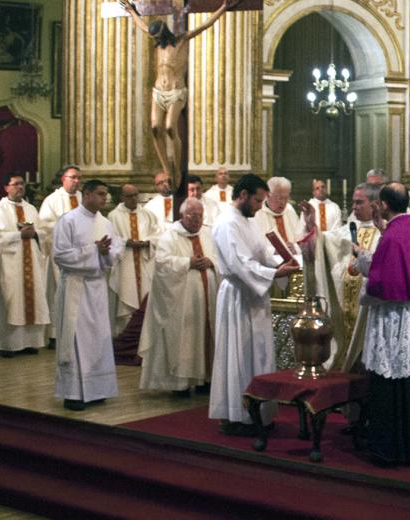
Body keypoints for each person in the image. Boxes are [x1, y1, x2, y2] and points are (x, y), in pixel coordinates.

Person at [353, 182, 410, 464]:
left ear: (384, 205)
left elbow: (381, 285)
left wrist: (361, 266)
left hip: (397, 321)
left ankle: (391, 448)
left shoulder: (393, 237)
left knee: (392, 378)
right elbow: (392, 267)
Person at [209, 174, 300, 434]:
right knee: (238, 354)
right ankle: (236, 416)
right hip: (237, 296)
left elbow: (262, 251)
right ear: (243, 195)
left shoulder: (248, 221)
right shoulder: (227, 223)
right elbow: (239, 264)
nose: (261, 207)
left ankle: (258, 414)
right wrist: (274, 274)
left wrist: (282, 262)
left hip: (255, 296)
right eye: (259, 201)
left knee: (257, 353)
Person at [120, 0, 231, 183]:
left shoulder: (181, 39)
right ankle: (167, 169)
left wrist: (223, 8)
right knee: (155, 128)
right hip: (158, 91)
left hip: (175, 91)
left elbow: (205, 25)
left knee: (171, 128)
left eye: (157, 36)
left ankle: (177, 169)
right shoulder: (158, 44)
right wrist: (132, 12)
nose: (154, 39)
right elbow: (142, 26)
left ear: (164, 33)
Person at [52, 180, 124, 411]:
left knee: (98, 337)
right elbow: (60, 255)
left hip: (97, 288)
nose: (106, 199)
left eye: (106, 195)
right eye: (101, 194)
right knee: (75, 339)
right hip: (75, 286)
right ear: (88, 194)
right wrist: (94, 251)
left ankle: (96, 390)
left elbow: (113, 252)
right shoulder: (68, 220)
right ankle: (73, 393)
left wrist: (106, 253)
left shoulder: (105, 222)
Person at [139, 197, 220, 395]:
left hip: (207, 300)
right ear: (183, 215)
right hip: (182, 302)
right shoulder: (171, 236)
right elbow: (162, 263)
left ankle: (205, 380)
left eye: (200, 216)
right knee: (185, 340)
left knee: (207, 336)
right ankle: (180, 384)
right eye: (193, 216)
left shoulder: (208, 234)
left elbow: (219, 257)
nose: (197, 220)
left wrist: (211, 262)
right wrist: (187, 263)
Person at [325, 183, 386, 372]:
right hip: (345, 300)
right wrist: (312, 229)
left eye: (359, 203)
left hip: (367, 304)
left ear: (375, 205)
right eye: (353, 203)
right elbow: (327, 241)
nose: (354, 207)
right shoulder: (350, 227)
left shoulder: (384, 231)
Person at [0, 174, 49, 355]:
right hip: (11, 262)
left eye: (22, 184)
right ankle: (8, 345)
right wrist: (18, 235)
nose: (20, 187)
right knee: (11, 300)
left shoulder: (31, 208)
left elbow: (43, 232)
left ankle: (30, 342)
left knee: (33, 298)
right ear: (6, 188)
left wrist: (35, 233)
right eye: (15, 184)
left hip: (31, 258)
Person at [108, 183, 158, 337]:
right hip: (125, 262)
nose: (134, 199)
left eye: (136, 195)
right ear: (122, 197)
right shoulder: (113, 216)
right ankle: (124, 338)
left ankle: (144, 337)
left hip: (145, 260)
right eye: (130, 196)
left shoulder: (148, 215)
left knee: (145, 298)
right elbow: (111, 239)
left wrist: (147, 242)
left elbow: (157, 234)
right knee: (126, 299)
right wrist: (125, 242)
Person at [39, 166, 82, 325]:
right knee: (59, 291)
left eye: (78, 178)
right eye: (73, 177)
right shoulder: (52, 200)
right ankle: (55, 333)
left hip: (81, 253)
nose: (76, 181)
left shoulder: (83, 198)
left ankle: (78, 329)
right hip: (61, 252)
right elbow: (43, 225)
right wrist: (66, 227)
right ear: (63, 179)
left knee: (79, 292)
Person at [254, 176, 306, 292]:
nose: (283, 203)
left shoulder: (290, 210)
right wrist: (275, 250)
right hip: (271, 268)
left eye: (286, 198)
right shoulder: (258, 213)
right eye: (278, 198)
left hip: (294, 266)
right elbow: (255, 246)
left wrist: (295, 247)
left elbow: (300, 237)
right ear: (268, 195)